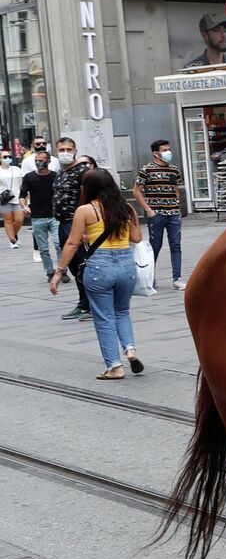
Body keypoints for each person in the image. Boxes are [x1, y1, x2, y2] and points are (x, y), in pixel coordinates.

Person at [49, 168, 144, 380]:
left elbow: (72, 242)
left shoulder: (85, 210)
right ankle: (130, 349)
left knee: (103, 317)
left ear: (87, 188)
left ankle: (115, 366)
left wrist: (58, 272)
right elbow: (136, 238)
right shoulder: (127, 208)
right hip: (126, 266)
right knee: (122, 311)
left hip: (99, 267)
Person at [134, 138, 187, 289]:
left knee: (176, 245)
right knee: (155, 246)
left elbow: (176, 190)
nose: (168, 152)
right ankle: (150, 278)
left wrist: (178, 211)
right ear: (156, 153)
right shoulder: (147, 170)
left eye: (168, 149)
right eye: (165, 150)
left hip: (173, 213)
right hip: (156, 214)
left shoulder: (174, 170)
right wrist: (148, 210)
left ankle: (177, 278)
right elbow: (136, 191)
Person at [51, 139, 91, 320]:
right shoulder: (60, 172)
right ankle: (83, 303)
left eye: (68, 149)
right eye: (61, 149)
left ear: (75, 150)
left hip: (77, 224)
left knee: (84, 265)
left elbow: (87, 198)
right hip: (63, 223)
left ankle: (90, 305)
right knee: (74, 266)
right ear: (56, 151)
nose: (65, 152)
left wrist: (86, 229)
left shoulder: (83, 171)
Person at [22, 150, 57, 278]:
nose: (38, 162)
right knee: (43, 248)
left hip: (54, 216)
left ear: (48, 161)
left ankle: (61, 270)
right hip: (37, 217)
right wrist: (24, 206)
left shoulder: (55, 176)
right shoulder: (29, 177)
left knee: (59, 244)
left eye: (41, 160)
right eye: (36, 160)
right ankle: (50, 272)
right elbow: (22, 195)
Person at [0, 150, 23, 248]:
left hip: (17, 197)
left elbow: (22, 183)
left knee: (19, 219)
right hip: (4, 198)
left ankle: (13, 234)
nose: (7, 158)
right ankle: (12, 240)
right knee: (8, 220)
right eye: (5, 157)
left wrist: (25, 196)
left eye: (9, 156)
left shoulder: (16, 169)